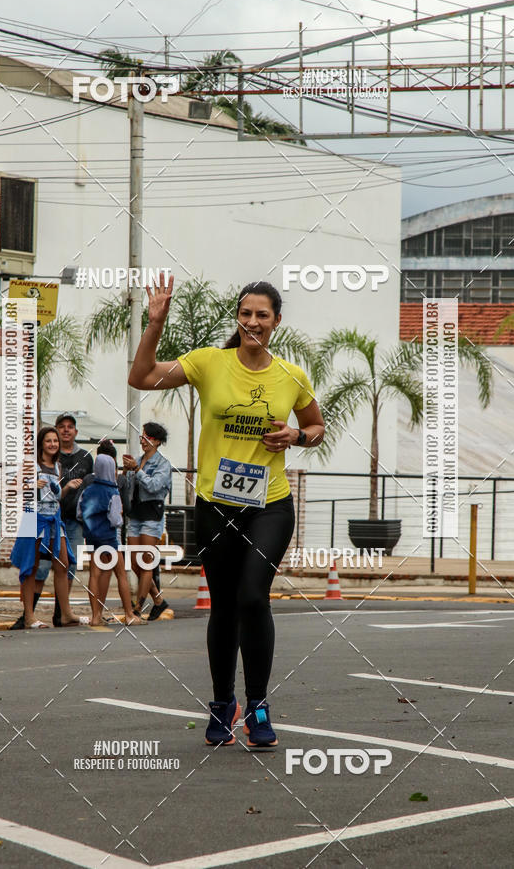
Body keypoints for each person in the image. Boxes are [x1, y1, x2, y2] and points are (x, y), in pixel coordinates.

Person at [129, 276, 325, 747]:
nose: (253, 321)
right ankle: (222, 704)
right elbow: (142, 377)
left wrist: (297, 437)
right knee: (223, 606)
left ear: (277, 321)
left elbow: (317, 426)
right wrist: (154, 323)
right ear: (237, 318)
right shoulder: (208, 363)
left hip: (270, 505)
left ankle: (257, 706)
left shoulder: (291, 376)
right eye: (245, 313)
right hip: (217, 505)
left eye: (262, 314)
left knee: (253, 597)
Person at [13, 413, 93, 629]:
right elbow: (14, 488)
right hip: (33, 518)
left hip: (54, 520)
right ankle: (29, 616)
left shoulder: (58, 467)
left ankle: (65, 614)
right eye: (48, 440)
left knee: (64, 564)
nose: (53, 444)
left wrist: (66, 488)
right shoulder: (31, 464)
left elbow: (53, 496)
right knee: (31, 566)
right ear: (41, 444)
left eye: (55, 441)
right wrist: (30, 486)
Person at [76, 450, 142, 626]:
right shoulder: (113, 491)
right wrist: (118, 519)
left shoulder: (88, 489)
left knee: (94, 575)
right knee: (121, 574)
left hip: (91, 536)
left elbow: (79, 513)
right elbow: (116, 519)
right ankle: (129, 614)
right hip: (109, 537)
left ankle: (96, 616)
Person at [121, 422, 172, 622]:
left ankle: (138, 607)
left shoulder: (163, 464)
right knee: (134, 562)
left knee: (146, 561)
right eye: (143, 436)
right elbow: (126, 487)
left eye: (148, 437)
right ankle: (159, 601)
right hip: (136, 514)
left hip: (152, 513)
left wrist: (137, 470)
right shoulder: (139, 460)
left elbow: (154, 486)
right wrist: (127, 471)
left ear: (157, 441)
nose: (144, 440)